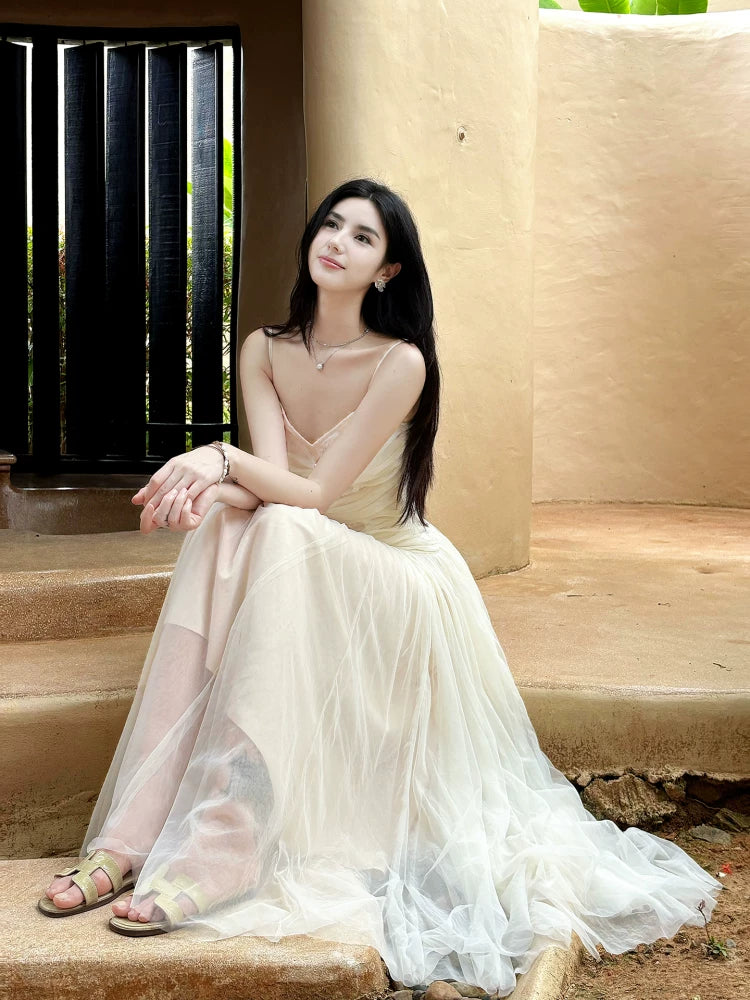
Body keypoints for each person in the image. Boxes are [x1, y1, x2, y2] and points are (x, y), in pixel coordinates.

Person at [38, 178, 723, 996]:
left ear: (388, 270)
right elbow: (272, 486)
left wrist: (217, 459)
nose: (337, 242)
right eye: (331, 225)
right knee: (225, 526)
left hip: (393, 576)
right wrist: (213, 491)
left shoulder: (402, 363)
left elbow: (313, 494)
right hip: (304, 549)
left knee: (274, 526)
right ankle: (132, 836)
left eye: (363, 237)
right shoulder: (264, 348)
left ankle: (227, 840)